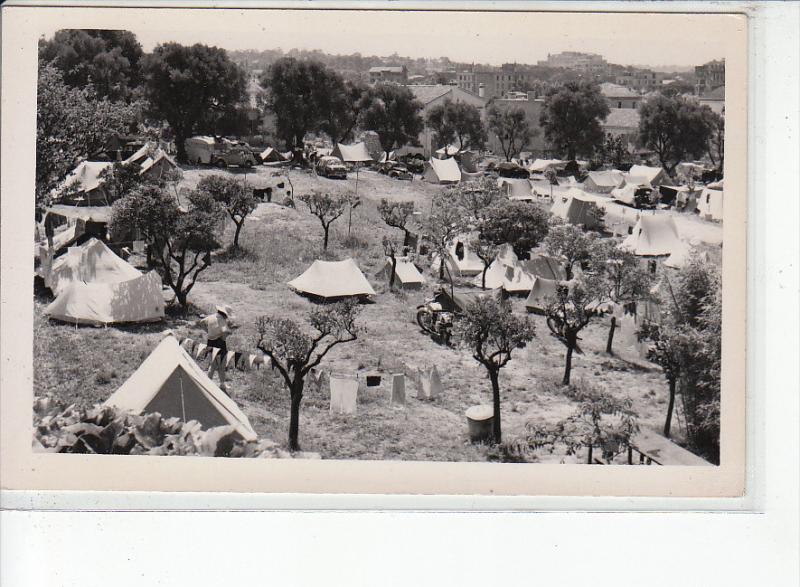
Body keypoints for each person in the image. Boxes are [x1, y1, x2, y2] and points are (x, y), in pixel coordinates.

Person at [194, 304, 238, 394]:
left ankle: (207, 382)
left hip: (210, 342)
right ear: (225, 314)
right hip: (219, 343)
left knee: (213, 364)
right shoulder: (222, 320)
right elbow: (224, 333)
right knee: (221, 365)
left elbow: (202, 322)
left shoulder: (211, 317)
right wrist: (230, 332)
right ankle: (222, 384)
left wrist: (207, 331)